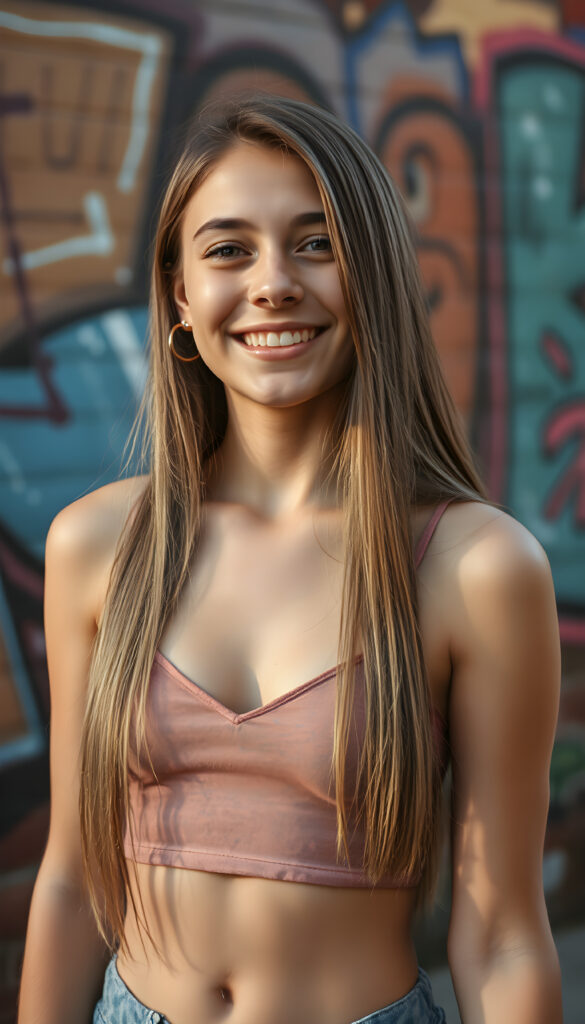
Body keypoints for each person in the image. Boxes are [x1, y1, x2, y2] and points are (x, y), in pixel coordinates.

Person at [18, 95, 562, 1024]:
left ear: (375, 277)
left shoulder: (473, 567)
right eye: (228, 249)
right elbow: (71, 879)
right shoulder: (100, 545)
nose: (272, 283)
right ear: (181, 296)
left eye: (316, 243)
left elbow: (502, 930)